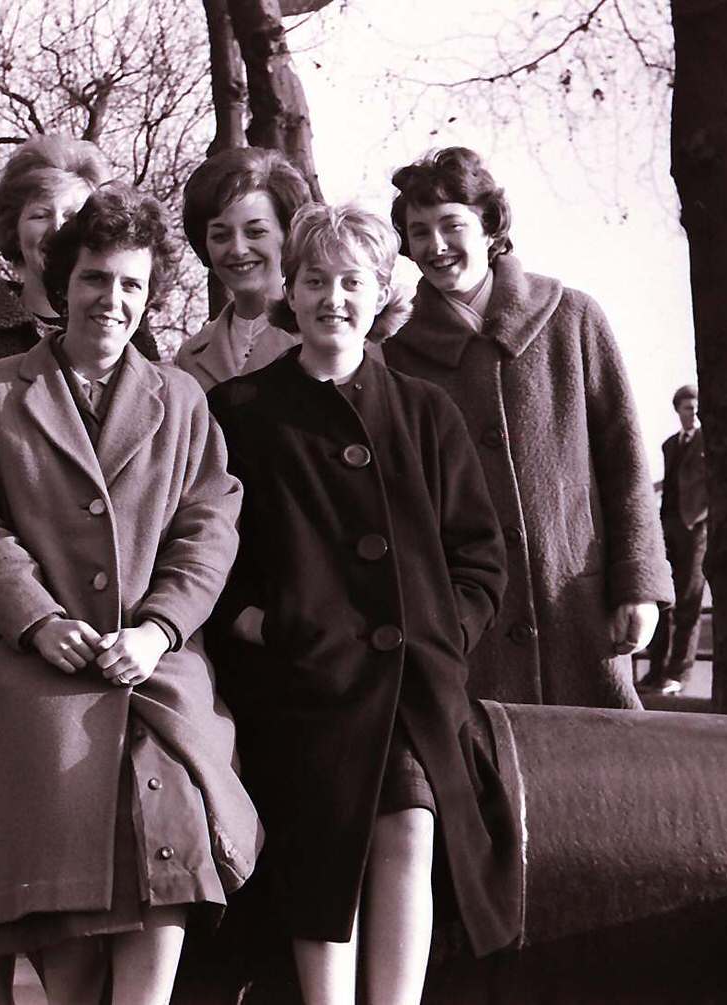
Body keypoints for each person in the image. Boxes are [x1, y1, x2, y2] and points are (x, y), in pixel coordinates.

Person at [0, 182, 259, 1005]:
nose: (111, 300)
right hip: (39, 688)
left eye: (131, 285)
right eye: (95, 279)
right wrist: (37, 620)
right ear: (61, 280)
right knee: (71, 961)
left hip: (155, 687)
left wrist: (160, 629)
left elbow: (209, 526)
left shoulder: (181, 400)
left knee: (168, 877)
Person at [209, 203, 517, 1005]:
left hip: (414, 687)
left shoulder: (424, 412)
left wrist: (445, 631)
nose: (332, 297)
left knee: (411, 828)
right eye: (315, 280)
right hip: (300, 691)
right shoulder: (241, 411)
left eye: (353, 281)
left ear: (382, 291)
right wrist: (266, 629)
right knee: (321, 850)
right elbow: (213, 557)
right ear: (291, 289)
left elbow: (479, 556)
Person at [0, 136, 160, 817]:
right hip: (0, 598)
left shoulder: (133, 330)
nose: (55, 228)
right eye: (39, 212)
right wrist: (14, 559)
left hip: (111, 601)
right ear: (13, 224)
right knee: (0, 785)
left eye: (72, 212)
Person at [381, 146, 672, 709]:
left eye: (451, 225)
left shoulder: (574, 318)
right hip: (466, 627)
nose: (435, 246)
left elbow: (626, 462)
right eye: (419, 233)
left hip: (579, 609)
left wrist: (640, 585)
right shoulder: (396, 357)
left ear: (490, 226)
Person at [173, 147, 310, 390]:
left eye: (255, 232)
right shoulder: (189, 358)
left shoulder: (321, 333)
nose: (237, 249)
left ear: (287, 234)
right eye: (220, 235)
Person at [639, 385, 709, 696]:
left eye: (695, 408)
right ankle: (656, 672)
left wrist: (697, 519)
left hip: (696, 531)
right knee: (664, 599)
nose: (691, 413)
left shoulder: (710, 442)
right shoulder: (670, 445)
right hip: (668, 527)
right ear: (678, 411)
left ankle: (678, 674)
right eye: (686, 408)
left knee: (689, 603)